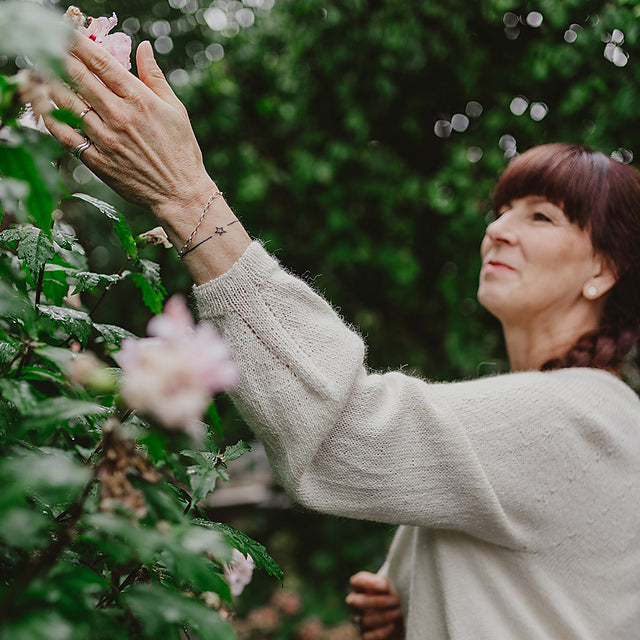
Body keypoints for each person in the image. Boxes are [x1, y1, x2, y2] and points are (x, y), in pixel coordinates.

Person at [22, 35, 640, 639]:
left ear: (602, 272)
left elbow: (341, 433)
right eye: (501, 209)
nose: (500, 230)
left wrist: (188, 198)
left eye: (541, 216)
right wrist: (417, 608)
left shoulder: (585, 417)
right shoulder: (556, 418)